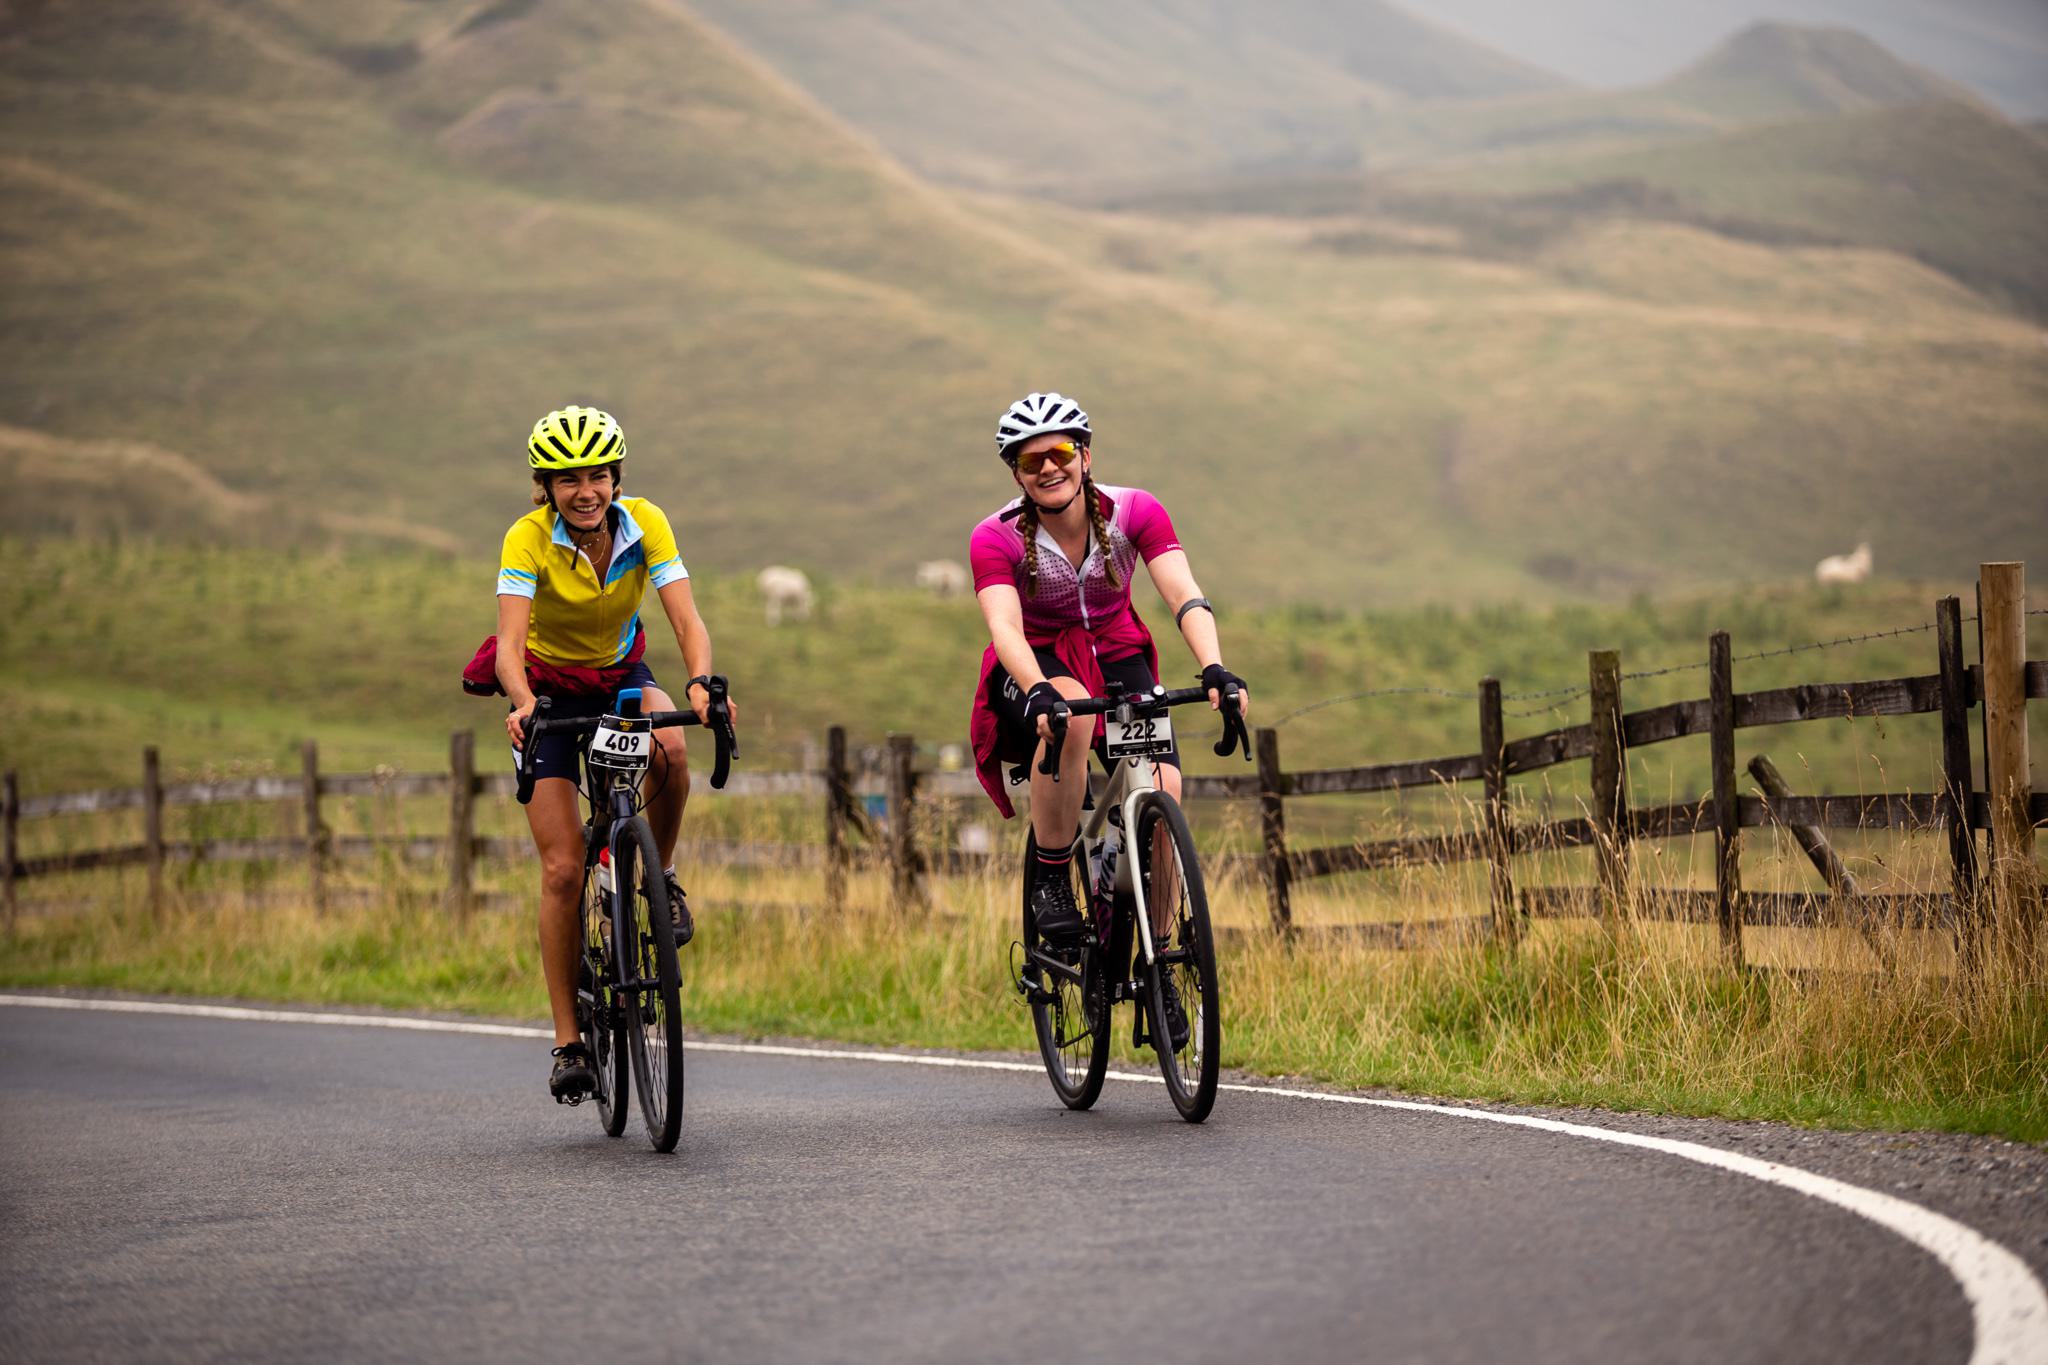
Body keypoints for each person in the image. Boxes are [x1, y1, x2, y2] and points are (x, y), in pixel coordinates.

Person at [463, 405, 735, 1102]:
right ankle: (568, 1041)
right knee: (561, 869)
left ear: (616, 476)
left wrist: (701, 681)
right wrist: (523, 701)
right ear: (545, 486)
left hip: (618, 676)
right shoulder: (525, 539)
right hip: (548, 691)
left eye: (598, 475)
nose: (586, 490)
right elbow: (510, 648)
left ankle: (659, 875)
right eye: (568, 479)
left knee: (670, 745)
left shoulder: (646, 521)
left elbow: (685, 615)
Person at [967, 391, 1248, 1049]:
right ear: (1016, 472)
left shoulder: (1135, 512)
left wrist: (1214, 668)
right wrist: (1037, 690)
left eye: (1060, 453)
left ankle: (1159, 961)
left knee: (1165, 793)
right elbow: (1004, 623)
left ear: (1085, 456)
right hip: (1035, 662)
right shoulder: (997, 535)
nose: (1047, 467)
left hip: (1119, 654)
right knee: (1072, 718)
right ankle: (1052, 873)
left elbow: (1183, 591)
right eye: (1031, 459)